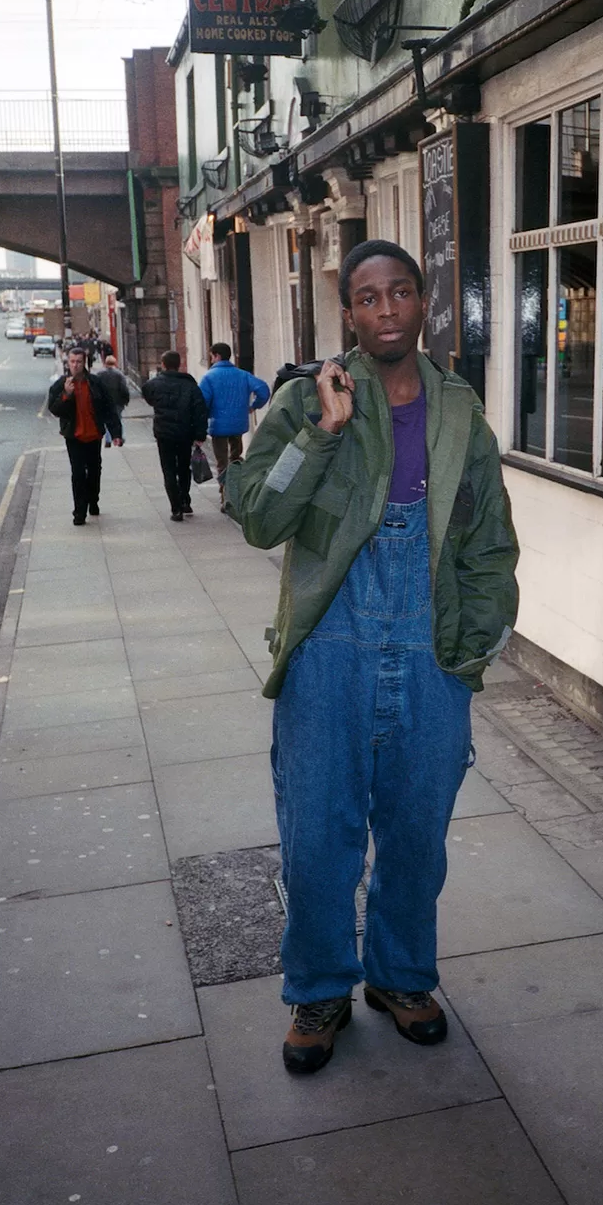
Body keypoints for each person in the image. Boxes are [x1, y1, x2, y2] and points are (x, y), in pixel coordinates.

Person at [226, 239, 520, 1075]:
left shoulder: (461, 410)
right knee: (318, 836)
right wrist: (323, 431)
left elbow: (491, 542)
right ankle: (319, 989)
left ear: (424, 302)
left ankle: (400, 978)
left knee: (418, 835)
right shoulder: (303, 401)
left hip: (432, 655)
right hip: (328, 647)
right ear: (347, 312)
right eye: (367, 297)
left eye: (400, 292)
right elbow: (258, 517)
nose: (386, 309)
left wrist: (478, 644)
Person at [47, 344, 122, 525]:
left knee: (95, 471)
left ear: (85, 363)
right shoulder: (61, 385)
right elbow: (54, 409)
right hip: (74, 436)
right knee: (78, 473)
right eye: (72, 361)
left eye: (79, 362)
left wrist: (116, 433)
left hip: (94, 435)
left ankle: (93, 501)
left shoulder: (95, 383)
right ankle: (79, 512)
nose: (75, 365)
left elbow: (108, 409)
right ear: (68, 363)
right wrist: (66, 394)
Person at [141, 351, 209, 522]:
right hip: (185, 432)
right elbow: (200, 410)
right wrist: (200, 433)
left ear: (163, 364)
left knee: (169, 469)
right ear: (179, 364)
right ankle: (185, 499)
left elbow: (147, 395)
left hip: (164, 433)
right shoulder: (190, 385)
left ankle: (175, 507)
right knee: (184, 467)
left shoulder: (154, 384)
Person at [199, 342, 269, 500]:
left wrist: (206, 416)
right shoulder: (242, 375)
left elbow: (202, 401)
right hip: (238, 424)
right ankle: (237, 490)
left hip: (218, 426)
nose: (211, 359)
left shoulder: (209, 377)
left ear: (216, 355)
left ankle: (225, 495)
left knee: (222, 462)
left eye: (211, 356)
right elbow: (263, 390)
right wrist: (253, 406)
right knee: (236, 458)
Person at [98, 354, 130, 448]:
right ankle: (118, 438)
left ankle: (108, 440)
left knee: (107, 421)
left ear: (105, 363)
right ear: (115, 363)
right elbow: (124, 389)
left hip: (104, 401)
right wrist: (126, 400)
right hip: (117, 401)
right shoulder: (119, 374)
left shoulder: (100, 374)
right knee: (118, 419)